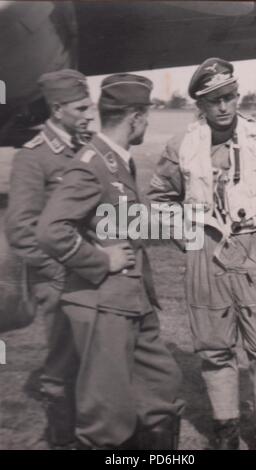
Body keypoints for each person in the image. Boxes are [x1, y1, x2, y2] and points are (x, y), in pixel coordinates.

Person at [148, 58, 256, 450]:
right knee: (214, 347)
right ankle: (226, 429)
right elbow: (159, 197)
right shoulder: (181, 145)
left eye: (230, 97)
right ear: (201, 104)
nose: (224, 107)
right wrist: (185, 232)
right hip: (205, 253)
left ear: (238, 96)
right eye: (214, 100)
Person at [37, 73, 184, 450]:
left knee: (161, 392)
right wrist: (100, 259)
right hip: (103, 303)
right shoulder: (92, 163)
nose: (146, 123)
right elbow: (51, 230)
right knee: (107, 419)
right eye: (145, 116)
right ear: (134, 117)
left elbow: (114, 220)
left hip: (133, 301)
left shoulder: (117, 160)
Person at [5, 69, 95, 448]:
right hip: (58, 279)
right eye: (80, 107)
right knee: (62, 362)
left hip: (89, 270)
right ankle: (61, 439)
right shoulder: (34, 157)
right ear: (58, 110)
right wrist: (56, 272)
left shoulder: (83, 148)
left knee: (91, 358)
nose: (89, 113)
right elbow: (21, 229)